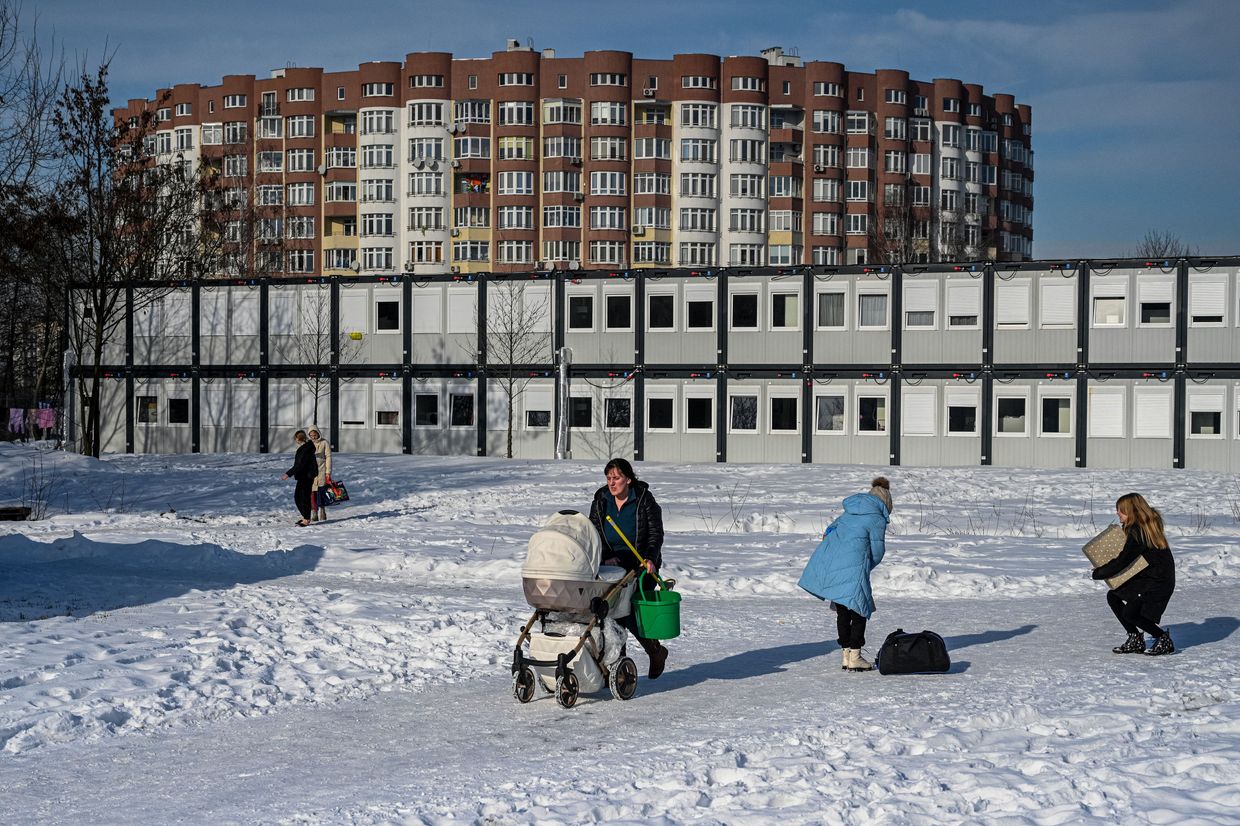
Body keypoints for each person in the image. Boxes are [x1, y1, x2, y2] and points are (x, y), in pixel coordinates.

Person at [798, 477, 892, 672]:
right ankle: (855, 657)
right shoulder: (877, 518)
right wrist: (865, 565)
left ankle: (846, 655)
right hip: (855, 566)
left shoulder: (849, 512)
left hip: (834, 564)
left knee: (843, 610)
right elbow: (877, 551)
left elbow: (828, 532)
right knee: (859, 610)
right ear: (886, 501)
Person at [588, 458, 669, 679]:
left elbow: (655, 533)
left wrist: (650, 557)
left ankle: (654, 652)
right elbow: (593, 533)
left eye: (617, 478)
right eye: (609, 478)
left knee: (628, 612)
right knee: (609, 614)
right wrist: (606, 556)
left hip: (640, 564)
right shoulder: (601, 500)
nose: (612, 483)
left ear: (628, 479)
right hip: (610, 564)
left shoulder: (643, 500)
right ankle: (616, 668)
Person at [1093, 493, 1176, 656]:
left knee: (1131, 613)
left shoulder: (1138, 532)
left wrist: (1099, 572)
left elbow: (1123, 561)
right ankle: (1135, 638)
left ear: (1131, 511)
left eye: (1120, 510)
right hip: (1150, 578)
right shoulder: (1142, 526)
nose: (1117, 513)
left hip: (1157, 582)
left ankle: (1163, 639)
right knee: (1114, 596)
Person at [281, 430, 317, 527]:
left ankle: (306, 518)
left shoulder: (305, 449)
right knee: (298, 497)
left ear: (298, 438)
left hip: (306, 476)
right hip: (304, 476)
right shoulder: (306, 448)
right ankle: (305, 516)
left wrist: (288, 474)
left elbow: (299, 465)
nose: (295, 440)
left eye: (296, 438)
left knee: (303, 497)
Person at [308, 426, 332, 522]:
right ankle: (314, 510)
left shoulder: (324, 442)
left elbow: (328, 457)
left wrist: (328, 472)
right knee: (311, 493)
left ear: (318, 433)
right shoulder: (308, 444)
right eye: (311, 435)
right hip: (310, 472)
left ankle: (322, 509)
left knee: (321, 492)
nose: (313, 437)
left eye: (315, 435)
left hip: (321, 470)